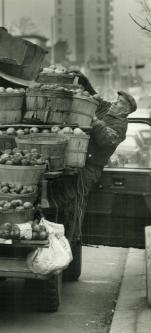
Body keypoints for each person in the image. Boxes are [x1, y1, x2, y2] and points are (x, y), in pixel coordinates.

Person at [50, 75, 137, 251]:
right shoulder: (107, 109)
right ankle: (60, 241)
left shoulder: (120, 127)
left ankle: (71, 244)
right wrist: (83, 80)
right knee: (65, 202)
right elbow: (94, 97)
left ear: (126, 111)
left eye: (120, 103)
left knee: (76, 205)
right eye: (117, 99)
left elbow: (106, 139)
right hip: (78, 163)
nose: (115, 102)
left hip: (90, 169)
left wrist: (95, 121)